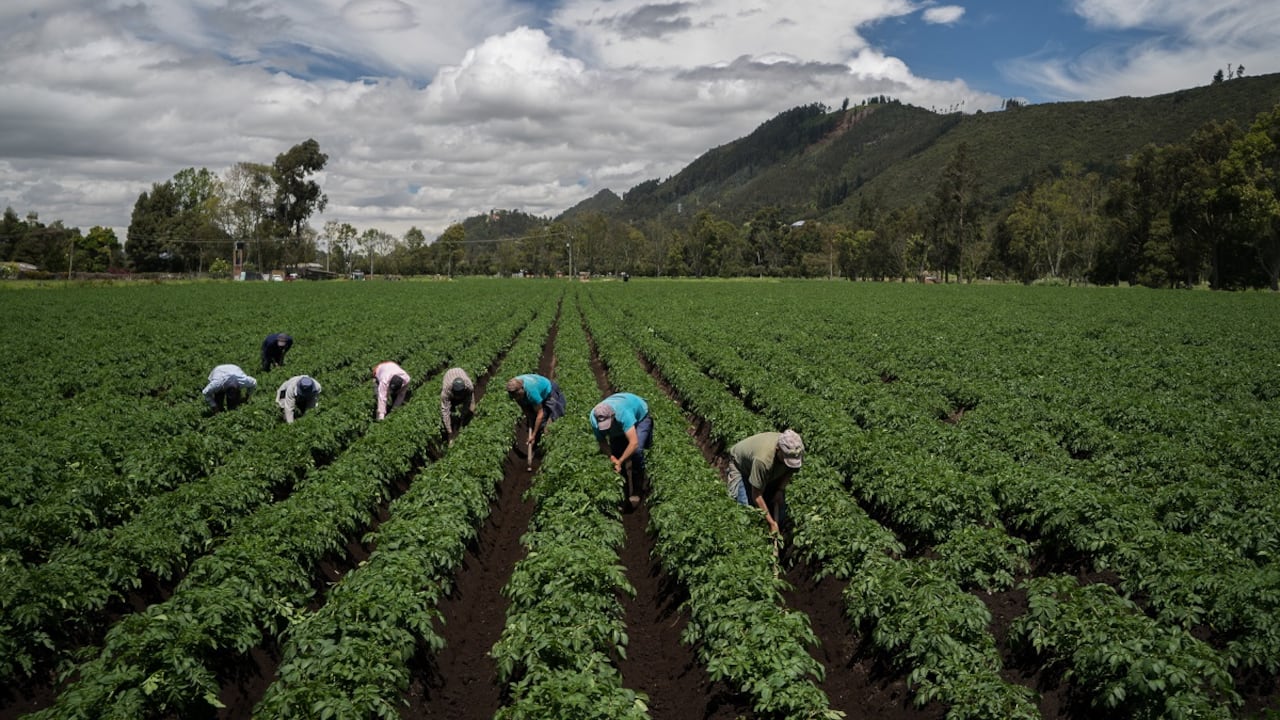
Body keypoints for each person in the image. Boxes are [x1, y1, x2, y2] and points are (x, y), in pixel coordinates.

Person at [725, 430, 804, 535]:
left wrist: (780, 490)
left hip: (768, 471)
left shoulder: (796, 451)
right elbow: (756, 495)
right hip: (741, 467)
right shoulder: (763, 460)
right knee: (746, 511)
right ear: (778, 449)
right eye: (786, 459)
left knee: (780, 513)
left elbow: (791, 470)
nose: (789, 462)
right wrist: (771, 523)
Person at [590, 392, 653, 508]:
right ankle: (624, 495)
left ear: (613, 416)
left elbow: (633, 443)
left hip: (640, 416)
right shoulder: (594, 419)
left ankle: (638, 489)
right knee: (616, 456)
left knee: (637, 452)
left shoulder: (623, 414)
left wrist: (621, 460)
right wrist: (612, 457)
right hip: (618, 427)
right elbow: (602, 441)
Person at [505, 373, 566, 467]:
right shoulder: (512, 391)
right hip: (536, 389)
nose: (516, 398)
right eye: (515, 396)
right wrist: (528, 414)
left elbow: (540, 413)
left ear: (522, 389)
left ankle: (545, 449)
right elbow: (520, 403)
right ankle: (536, 445)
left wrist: (533, 435)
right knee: (534, 420)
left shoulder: (532, 392)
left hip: (549, 391)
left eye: (518, 395)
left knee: (546, 422)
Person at [439, 367, 476, 445]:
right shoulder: (446, 391)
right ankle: (453, 427)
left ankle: (462, 423)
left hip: (460, 371)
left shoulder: (469, 386)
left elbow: (468, 403)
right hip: (449, 375)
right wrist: (450, 432)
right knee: (450, 410)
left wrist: (463, 417)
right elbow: (445, 412)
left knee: (471, 409)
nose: (459, 397)